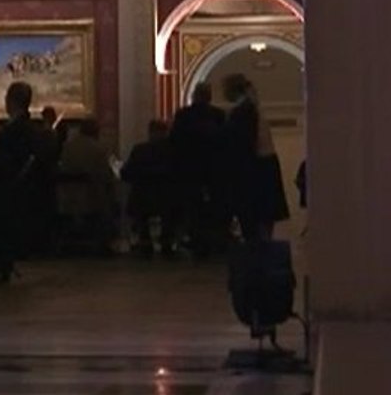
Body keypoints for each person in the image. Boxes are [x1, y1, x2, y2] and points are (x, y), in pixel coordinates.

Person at [0, 82, 60, 257]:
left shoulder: (12, 131)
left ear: (10, 101)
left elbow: (2, 159)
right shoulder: (36, 130)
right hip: (35, 190)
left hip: (16, 189)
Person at [222, 74, 290, 241]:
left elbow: (242, 144)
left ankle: (257, 251)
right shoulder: (253, 106)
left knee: (253, 216)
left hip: (253, 168)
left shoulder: (242, 111)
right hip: (264, 163)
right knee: (265, 216)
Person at [169, 82, 228, 258]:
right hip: (213, 171)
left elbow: (175, 143)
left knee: (193, 210)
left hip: (189, 171)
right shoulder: (218, 115)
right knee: (213, 210)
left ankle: (197, 242)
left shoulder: (183, 115)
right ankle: (213, 242)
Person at [57, 118, 117, 255]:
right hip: (91, 198)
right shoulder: (98, 149)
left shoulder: (67, 147)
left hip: (67, 198)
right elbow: (106, 175)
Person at [121, 119, 178, 257]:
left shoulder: (140, 150)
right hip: (167, 198)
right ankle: (167, 240)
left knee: (141, 208)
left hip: (143, 197)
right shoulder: (173, 151)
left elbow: (126, 173)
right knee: (171, 208)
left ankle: (144, 240)